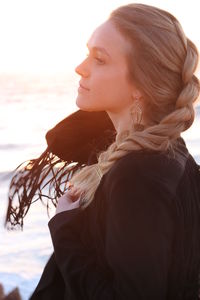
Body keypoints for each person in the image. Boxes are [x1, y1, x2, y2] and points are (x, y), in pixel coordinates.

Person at [5, 3, 200, 299]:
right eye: (87, 53)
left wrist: (65, 230)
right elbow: (65, 139)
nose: (80, 67)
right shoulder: (170, 152)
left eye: (100, 59)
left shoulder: (138, 176)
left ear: (140, 85)